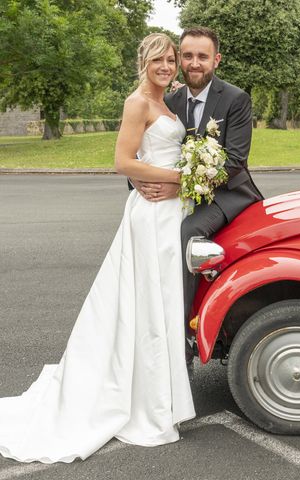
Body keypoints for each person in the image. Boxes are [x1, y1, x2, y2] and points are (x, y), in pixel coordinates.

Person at [0, 33, 195, 464]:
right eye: (158, 61)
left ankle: (164, 399)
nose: (166, 67)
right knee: (145, 306)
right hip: (150, 214)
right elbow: (124, 161)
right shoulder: (137, 103)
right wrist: (185, 179)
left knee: (165, 303)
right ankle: (145, 404)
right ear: (143, 61)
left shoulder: (170, 99)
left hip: (171, 213)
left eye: (170, 61)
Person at [131, 27, 263, 370]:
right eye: (186, 56)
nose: (193, 63)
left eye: (202, 56)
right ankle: (149, 333)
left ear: (215, 60)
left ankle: (183, 343)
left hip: (226, 196)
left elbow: (234, 163)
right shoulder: (168, 101)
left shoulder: (235, 99)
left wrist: (180, 186)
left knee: (186, 234)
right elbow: (144, 152)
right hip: (181, 192)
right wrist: (137, 181)